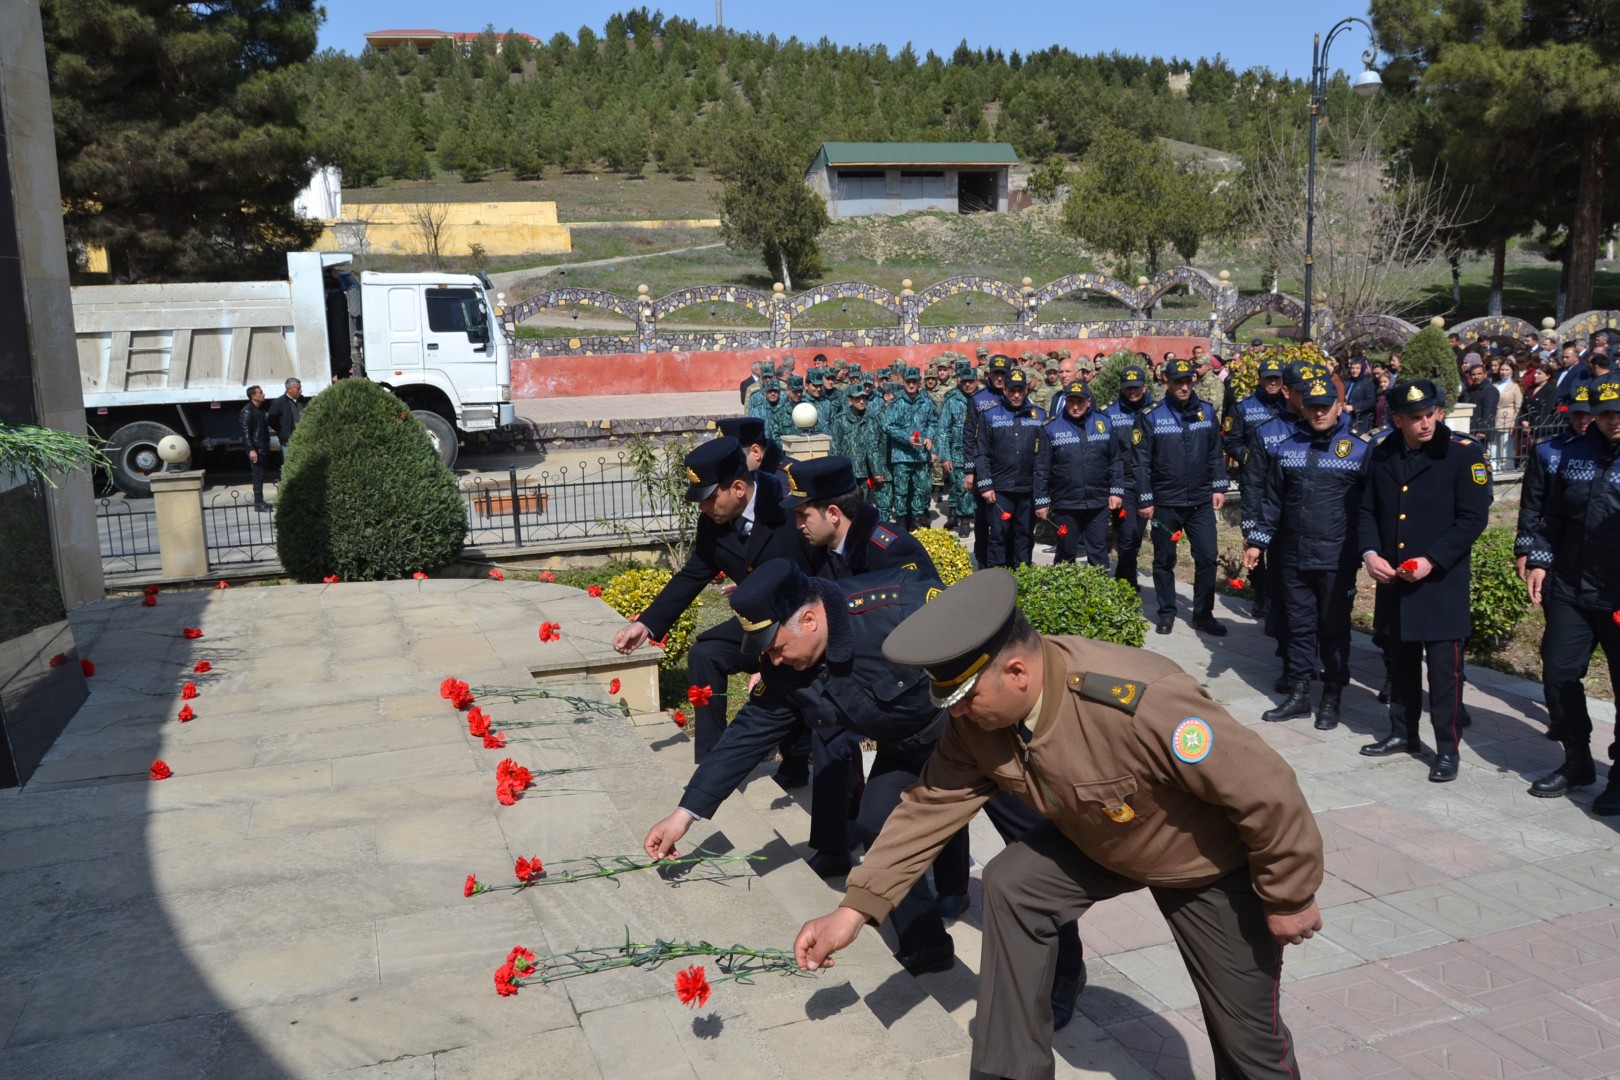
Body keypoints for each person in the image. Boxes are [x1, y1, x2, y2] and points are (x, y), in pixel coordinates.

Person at [792, 570, 1324, 1080]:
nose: (956, 715)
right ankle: (1010, 1070)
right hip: (1099, 835)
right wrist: (855, 910)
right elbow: (930, 805)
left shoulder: (1138, 701)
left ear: (1017, 673)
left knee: (1247, 1039)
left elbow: (1267, 790)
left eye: (965, 698)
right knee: (1014, 884)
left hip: (1206, 862)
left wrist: (1289, 895)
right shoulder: (976, 724)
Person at [643, 561, 1088, 1014]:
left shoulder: (900, 607)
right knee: (877, 823)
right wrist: (684, 814)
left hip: (985, 737)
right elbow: (749, 730)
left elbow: (999, 648)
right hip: (911, 748)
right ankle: (926, 941)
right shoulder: (787, 665)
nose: (772, 661)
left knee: (1033, 852)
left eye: (776, 647)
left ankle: (1065, 968)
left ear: (811, 620)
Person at [611, 437, 827, 773]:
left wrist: (769, 659)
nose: (704, 508)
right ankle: (712, 761)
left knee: (786, 680)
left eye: (710, 499)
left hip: (807, 627)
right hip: (760, 627)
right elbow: (694, 573)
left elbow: (823, 576)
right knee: (706, 654)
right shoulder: (713, 521)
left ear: (738, 488)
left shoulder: (788, 511)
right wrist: (646, 624)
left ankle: (797, 757)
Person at [779, 456, 937, 876]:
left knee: (933, 776)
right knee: (827, 731)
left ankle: (952, 884)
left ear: (833, 513)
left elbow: (917, 623)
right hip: (861, 673)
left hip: (908, 686)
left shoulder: (890, 547)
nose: (799, 524)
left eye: (803, 514)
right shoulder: (827, 546)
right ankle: (834, 843)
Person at [1356, 380, 1492, 783]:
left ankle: (1447, 750)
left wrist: (1433, 560)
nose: (1425, 423)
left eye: (1430, 414)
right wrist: (1370, 554)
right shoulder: (1382, 455)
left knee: (1443, 676)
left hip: (1439, 586)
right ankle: (1403, 733)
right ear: (1396, 420)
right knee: (1399, 667)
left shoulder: (1463, 455)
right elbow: (1366, 511)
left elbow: (1473, 519)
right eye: (1414, 418)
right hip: (1395, 581)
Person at [1244, 376, 1370, 730]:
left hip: (1337, 559)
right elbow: (1272, 502)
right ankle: (1299, 694)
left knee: (1333, 630)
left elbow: (1370, 508)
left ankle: (1332, 697)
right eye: (1312, 406)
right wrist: (1257, 542)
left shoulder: (1359, 450)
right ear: (1303, 407)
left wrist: (1370, 550)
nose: (1318, 412)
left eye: (1325, 405)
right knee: (1298, 628)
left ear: (1337, 406)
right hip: (1293, 556)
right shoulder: (1287, 448)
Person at [1521, 374, 1620, 810]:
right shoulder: (1571, 456)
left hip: (1616, 594)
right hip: (1569, 588)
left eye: (1619, 411)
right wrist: (1539, 558)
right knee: (1559, 674)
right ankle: (1577, 759)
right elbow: (1550, 517)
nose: (1613, 420)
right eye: (1604, 413)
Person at [1136, 357, 1229, 637]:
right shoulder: (1151, 415)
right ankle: (1166, 612)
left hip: (1200, 501)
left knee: (1207, 557)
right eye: (1179, 381)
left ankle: (1203, 613)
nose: (1185, 386)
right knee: (1164, 558)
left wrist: (1219, 486)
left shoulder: (1207, 412)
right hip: (1166, 502)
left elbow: (1215, 452)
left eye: (1189, 381)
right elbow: (1141, 461)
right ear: (1167, 381)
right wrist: (1145, 498)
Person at [1033, 380, 1123, 567]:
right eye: (1071, 401)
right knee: (1066, 550)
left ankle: (1099, 593)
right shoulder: (1050, 427)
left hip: (1097, 502)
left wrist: (1116, 490)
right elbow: (1042, 467)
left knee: (1098, 550)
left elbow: (1115, 460)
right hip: (1066, 503)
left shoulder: (1104, 423)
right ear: (1065, 401)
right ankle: (1064, 595)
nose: (1075, 406)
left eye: (1080, 402)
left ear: (1088, 402)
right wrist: (1041, 500)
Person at [1224, 356, 1288, 619]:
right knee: (1253, 537)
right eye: (1268, 378)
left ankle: (1279, 594)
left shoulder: (1291, 406)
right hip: (1255, 483)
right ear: (1260, 379)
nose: (1272, 382)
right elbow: (1230, 439)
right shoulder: (1244, 408)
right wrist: (1249, 457)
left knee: (1282, 542)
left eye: (1277, 378)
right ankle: (1260, 592)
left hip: (1286, 480)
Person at [975, 368, 1046, 568]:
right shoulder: (989, 415)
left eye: (1020, 390)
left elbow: (1043, 457)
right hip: (999, 489)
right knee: (998, 535)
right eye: (1012, 390)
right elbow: (981, 453)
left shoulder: (1038, 416)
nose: (1016, 395)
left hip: (1027, 490)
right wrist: (986, 485)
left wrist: (1042, 493)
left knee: (1024, 536)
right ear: (1004, 390)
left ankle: (1022, 578)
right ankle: (997, 581)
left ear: (1026, 391)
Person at [1104, 364, 1152, 588]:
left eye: (1136, 387)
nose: (1132, 392)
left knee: (1136, 536)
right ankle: (1127, 581)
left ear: (1144, 387)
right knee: (1126, 534)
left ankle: (1124, 576)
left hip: (1150, 482)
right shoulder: (1110, 413)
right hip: (1123, 483)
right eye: (1128, 388)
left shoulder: (1155, 411)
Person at [882, 366, 938, 532]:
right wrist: (907, 439)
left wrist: (929, 437)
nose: (911, 385)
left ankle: (917, 521)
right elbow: (889, 426)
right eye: (908, 382)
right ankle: (901, 523)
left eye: (914, 381)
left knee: (921, 490)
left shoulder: (927, 402)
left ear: (919, 383)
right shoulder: (896, 402)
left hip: (921, 455)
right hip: (902, 455)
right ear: (904, 382)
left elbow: (933, 423)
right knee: (901, 491)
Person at [936, 359, 978, 534]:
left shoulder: (983, 399)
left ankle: (977, 516)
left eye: (971, 381)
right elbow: (943, 431)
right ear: (960, 381)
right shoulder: (952, 400)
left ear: (977, 381)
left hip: (980, 451)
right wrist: (945, 456)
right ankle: (964, 520)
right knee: (962, 487)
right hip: (958, 451)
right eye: (964, 381)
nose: (967, 384)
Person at [239, 385, 272, 512]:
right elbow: (245, 433)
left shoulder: (259, 409)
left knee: (261, 475)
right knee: (257, 476)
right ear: (253, 396)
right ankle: (258, 504)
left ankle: (260, 501)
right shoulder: (247, 411)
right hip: (256, 449)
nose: (263, 394)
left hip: (262, 447)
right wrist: (251, 449)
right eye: (260, 392)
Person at [1457, 354, 1499, 446]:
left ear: (1485, 374)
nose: (1476, 377)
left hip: (1480, 433)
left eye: (1479, 374)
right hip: (1468, 429)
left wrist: (1483, 431)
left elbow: (1489, 412)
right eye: (1473, 374)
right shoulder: (1470, 390)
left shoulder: (1490, 390)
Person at [266, 377, 306, 450]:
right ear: (289, 389)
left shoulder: (303, 401)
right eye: (298, 388)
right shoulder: (278, 403)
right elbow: (271, 421)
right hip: (287, 443)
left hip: (304, 440)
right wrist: (282, 432)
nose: (301, 391)